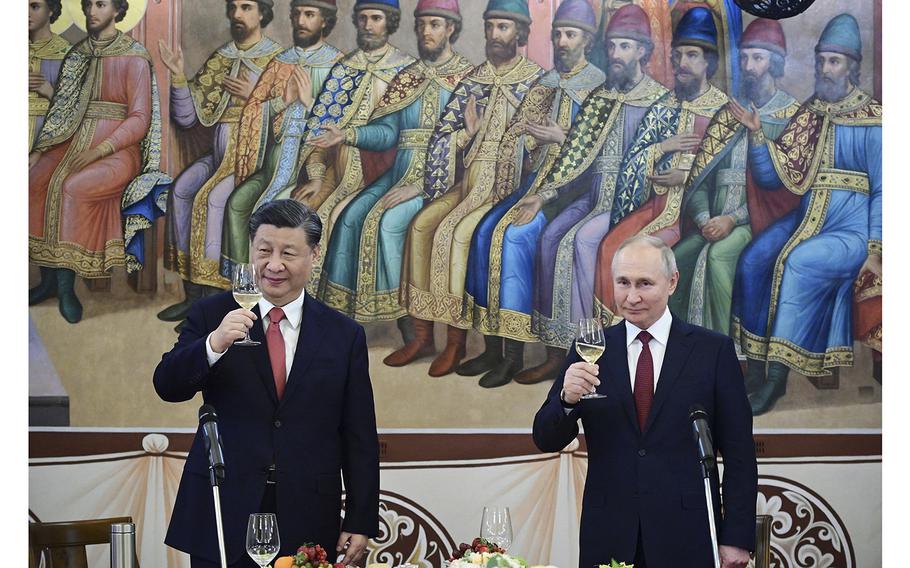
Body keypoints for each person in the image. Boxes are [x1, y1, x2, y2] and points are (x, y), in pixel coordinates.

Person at [154, 199, 379, 567]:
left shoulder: (343, 335)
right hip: (225, 505)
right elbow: (167, 385)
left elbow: (359, 435)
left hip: (307, 509)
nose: (274, 265)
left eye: (288, 253)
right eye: (264, 251)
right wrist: (213, 345)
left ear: (314, 254)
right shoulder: (213, 314)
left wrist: (360, 518)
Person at [532, 235, 756, 568]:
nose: (631, 297)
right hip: (608, 536)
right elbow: (545, 438)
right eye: (622, 283)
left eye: (644, 284)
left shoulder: (713, 352)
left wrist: (736, 539)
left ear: (672, 282)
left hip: (685, 537)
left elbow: (739, 453)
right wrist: (566, 399)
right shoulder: (590, 348)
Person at [729, 13, 881, 415]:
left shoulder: (875, 119)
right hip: (806, 219)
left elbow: (886, 190)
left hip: (851, 228)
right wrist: (757, 134)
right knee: (753, 260)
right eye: (820, 61)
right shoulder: (810, 112)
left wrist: (876, 247)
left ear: (852, 66)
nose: (825, 69)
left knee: (797, 262)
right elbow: (770, 178)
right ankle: (757, 370)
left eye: (834, 61)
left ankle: (777, 382)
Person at [388, 0, 544, 376]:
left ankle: (455, 344)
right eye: (490, 27)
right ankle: (423, 336)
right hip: (468, 183)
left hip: (505, 189)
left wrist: (525, 147)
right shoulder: (474, 79)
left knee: (454, 234)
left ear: (520, 34)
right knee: (422, 225)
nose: (494, 35)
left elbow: (540, 147)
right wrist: (466, 135)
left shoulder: (536, 81)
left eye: (503, 28)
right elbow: (443, 137)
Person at [459, 0, 605, 388]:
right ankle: (493, 347)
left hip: (573, 191)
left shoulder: (600, 87)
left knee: (516, 236)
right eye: (557, 34)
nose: (561, 42)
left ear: (587, 40)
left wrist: (562, 138)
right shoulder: (549, 83)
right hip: (535, 183)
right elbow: (520, 136)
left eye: (569, 34)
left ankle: (516, 353)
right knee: (483, 233)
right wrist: (525, 148)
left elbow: (604, 157)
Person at [520, 4, 668, 384]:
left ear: (642, 52)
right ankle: (558, 351)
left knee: (583, 242)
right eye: (613, 46)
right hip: (595, 198)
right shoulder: (601, 98)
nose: (616, 55)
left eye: (625, 47)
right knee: (551, 237)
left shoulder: (660, 100)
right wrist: (545, 194)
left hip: (632, 203)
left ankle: (596, 349)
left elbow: (660, 165)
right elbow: (576, 155)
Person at [220, 0, 415, 283]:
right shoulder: (346, 68)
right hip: (322, 165)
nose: (368, 25)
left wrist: (312, 105)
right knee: (250, 206)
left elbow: (392, 133)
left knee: (319, 219)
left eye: (376, 18)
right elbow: (319, 134)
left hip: (379, 170)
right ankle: (249, 288)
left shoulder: (404, 70)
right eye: (363, 18)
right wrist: (315, 174)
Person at [312, 0, 473, 329]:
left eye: (435, 25)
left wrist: (423, 185)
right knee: (350, 217)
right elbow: (387, 134)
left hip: (444, 182)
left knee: (387, 223)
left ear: (451, 29)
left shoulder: (468, 79)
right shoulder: (408, 77)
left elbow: (471, 142)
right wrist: (347, 134)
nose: (426, 32)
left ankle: (407, 324)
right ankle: (339, 319)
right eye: (422, 25)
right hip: (397, 175)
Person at [28, 0, 169, 323]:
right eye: (88, 4)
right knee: (35, 178)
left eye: (101, 4)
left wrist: (100, 149)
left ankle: (66, 288)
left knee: (73, 187)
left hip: (118, 150)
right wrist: (39, 150)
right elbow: (61, 109)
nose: (93, 10)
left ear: (118, 11)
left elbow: (139, 120)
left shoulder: (134, 56)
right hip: (71, 141)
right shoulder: (78, 54)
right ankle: (47, 281)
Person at [590, 6, 729, 326]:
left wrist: (689, 176)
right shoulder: (664, 105)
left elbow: (732, 172)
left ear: (708, 61)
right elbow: (635, 158)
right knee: (611, 245)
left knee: (646, 259)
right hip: (658, 204)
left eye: (692, 55)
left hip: (695, 213)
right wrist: (660, 149)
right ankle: (616, 339)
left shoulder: (723, 109)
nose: (682, 63)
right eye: (677, 55)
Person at [669, 18, 800, 335]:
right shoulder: (727, 114)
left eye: (758, 57)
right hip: (712, 223)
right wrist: (703, 219)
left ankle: (725, 352)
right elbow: (701, 180)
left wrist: (731, 220)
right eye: (744, 58)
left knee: (718, 257)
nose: (749, 66)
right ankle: (681, 347)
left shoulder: (791, 116)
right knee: (674, 261)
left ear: (775, 63)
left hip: (757, 224)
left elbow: (784, 192)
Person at [158, 0, 283, 326]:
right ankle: (192, 297)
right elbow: (186, 118)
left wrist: (256, 96)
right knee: (182, 190)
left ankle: (213, 305)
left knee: (213, 199)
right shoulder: (222, 58)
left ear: (262, 13)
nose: (237, 15)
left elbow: (290, 120)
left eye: (246, 7)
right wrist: (179, 78)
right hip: (218, 157)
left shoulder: (277, 61)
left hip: (253, 160)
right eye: (233, 7)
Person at [28, 0, 70, 149]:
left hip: (50, 139)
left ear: (51, 10)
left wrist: (48, 91)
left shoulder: (67, 54)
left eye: (34, 7)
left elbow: (77, 111)